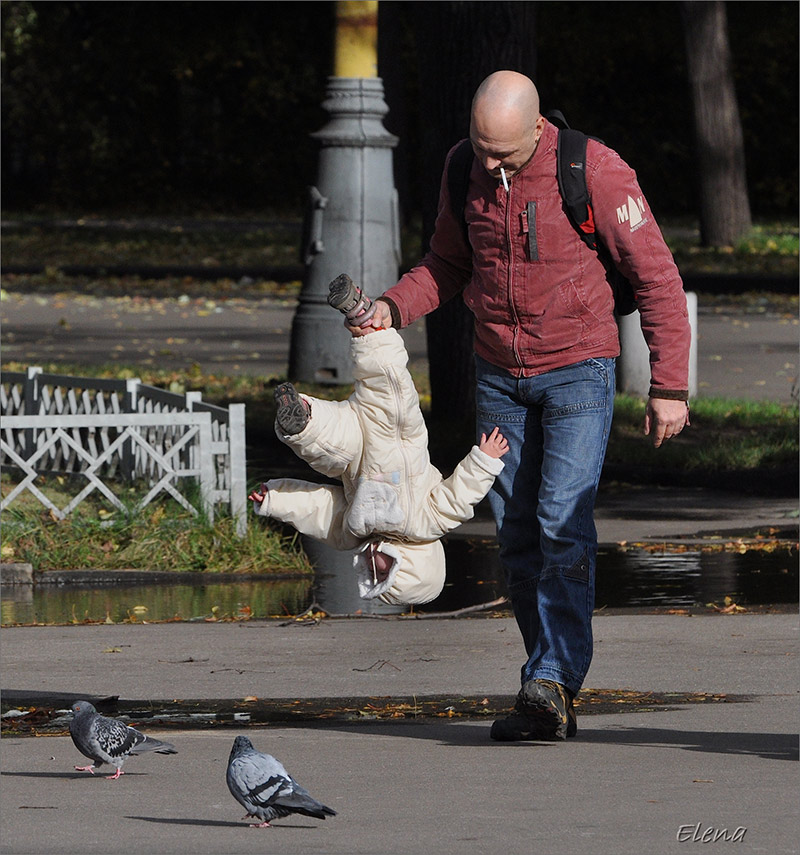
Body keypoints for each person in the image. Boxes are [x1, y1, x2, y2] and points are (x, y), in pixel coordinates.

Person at [349, 70, 691, 740]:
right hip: (498, 376)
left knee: (563, 520)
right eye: (479, 148)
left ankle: (552, 679)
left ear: (538, 129)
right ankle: (548, 682)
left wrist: (670, 386)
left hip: (579, 372)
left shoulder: (594, 169)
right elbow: (447, 264)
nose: (489, 164)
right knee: (517, 535)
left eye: (502, 153)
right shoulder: (461, 169)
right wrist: (391, 308)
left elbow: (657, 275)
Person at [249, 274, 509, 606]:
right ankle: (363, 316)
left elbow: (319, 510)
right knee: (385, 377)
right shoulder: (425, 524)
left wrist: (274, 500)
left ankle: (301, 418)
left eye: (371, 575)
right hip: (394, 430)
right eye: (383, 571)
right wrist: (485, 460)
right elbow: (460, 495)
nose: (372, 564)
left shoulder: (354, 533)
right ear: (411, 567)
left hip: (354, 453)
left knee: (326, 447)